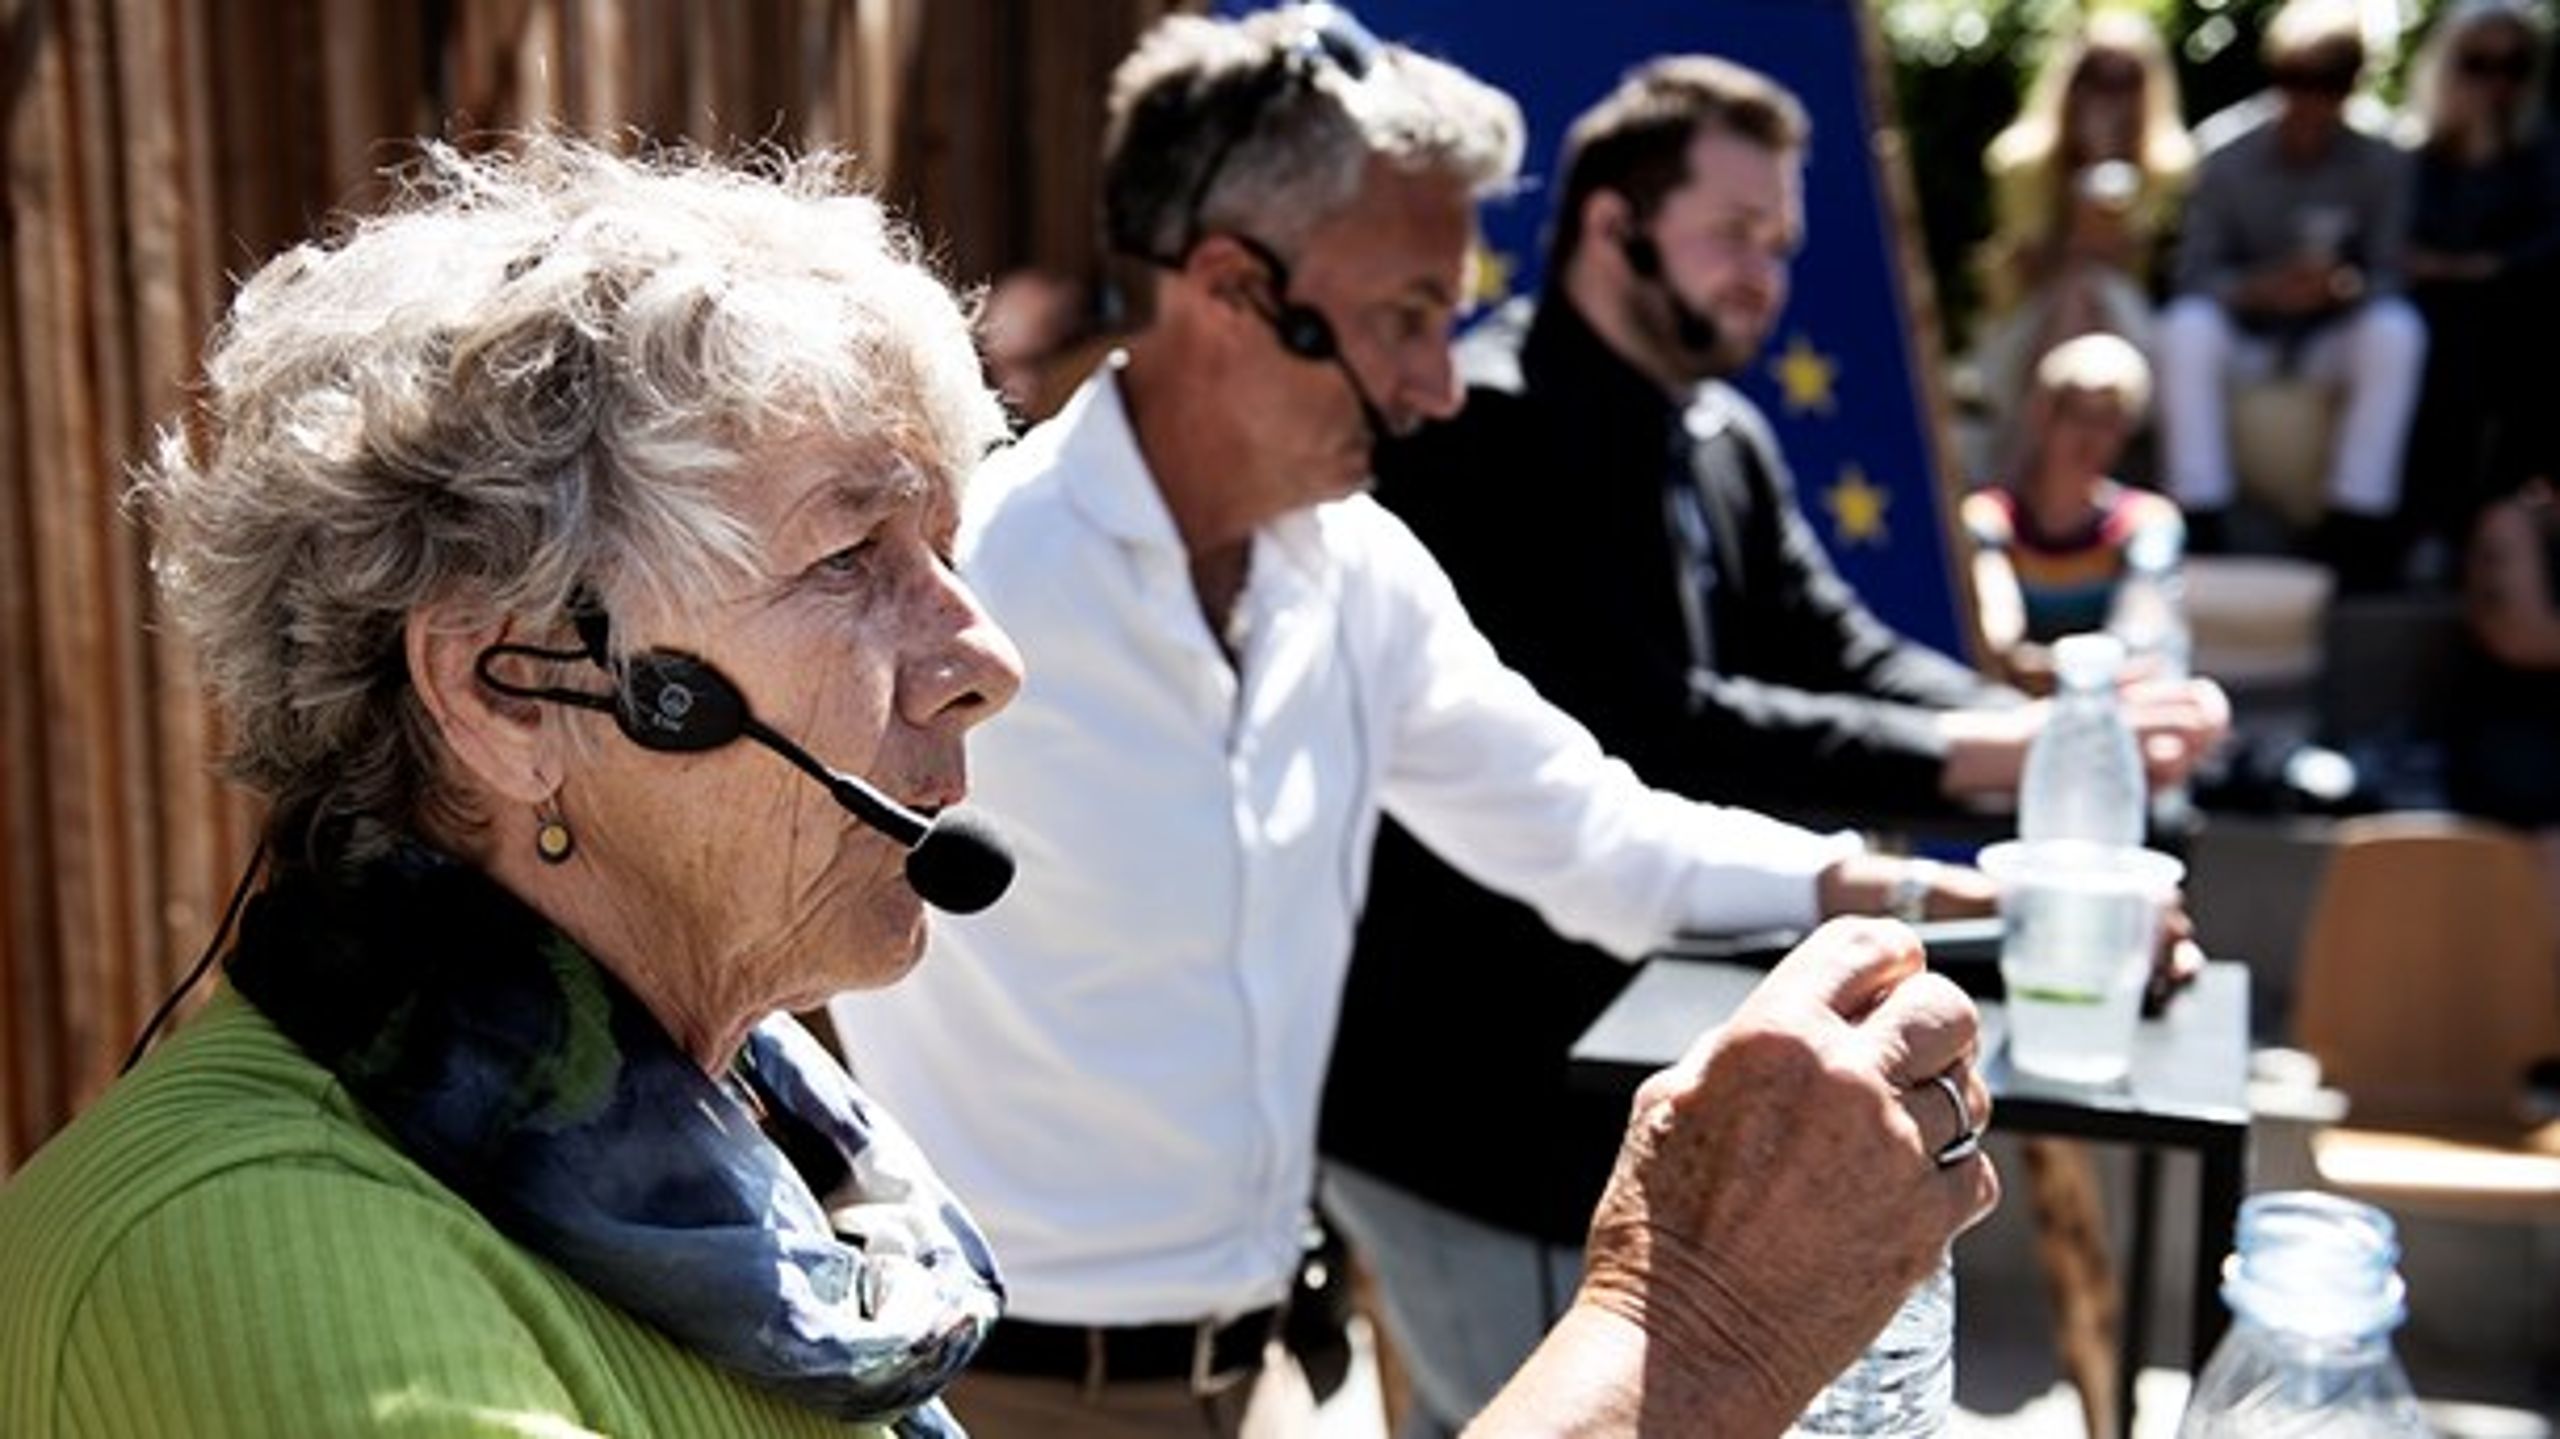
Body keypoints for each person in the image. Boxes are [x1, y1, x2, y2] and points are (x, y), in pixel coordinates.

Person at [0, 131, 2001, 1439]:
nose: (985, 649)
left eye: (947, 549)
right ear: (506, 686)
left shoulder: (757, 1142)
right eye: (850, 554)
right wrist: (1678, 1332)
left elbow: (1586, 827)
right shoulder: (250, 1247)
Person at [826, 11, 1991, 1436]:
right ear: (1228, 288)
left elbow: (1594, 839)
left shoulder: (1356, 570)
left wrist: (1912, 891)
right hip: (986, 1391)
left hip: (1264, 1375)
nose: (1440, 384)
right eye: (1406, 317)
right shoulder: (975, 578)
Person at [1318, 57, 2220, 1436]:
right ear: (1613, 223)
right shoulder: (1489, 419)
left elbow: (1841, 652)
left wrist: (2052, 734)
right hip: (1476, 1101)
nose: (1765, 275)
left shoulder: (1718, 429)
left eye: (1781, 242)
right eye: (1733, 233)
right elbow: (1656, 727)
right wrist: (2002, 763)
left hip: (1650, 1082)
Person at [2156, 0, 2424, 589]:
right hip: (2246, 339)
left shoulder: (2384, 157)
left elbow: (2392, 273)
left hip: (2330, 339)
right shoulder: (2225, 153)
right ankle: (2200, 518)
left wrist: (2342, 288)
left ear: (2354, 82)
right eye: (2295, 78)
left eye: (2329, 81)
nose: (2310, 98)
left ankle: (2358, 524)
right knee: (2186, 328)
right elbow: (2193, 275)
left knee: (2396, 331)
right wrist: (2259, 289)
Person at [1973, 10, 2196, 458]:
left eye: (2126, 81)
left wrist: (2106, 172)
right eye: (2094, 77)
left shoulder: (2171, 169)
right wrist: (2089, 177)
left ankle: (2038, 467)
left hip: (2131, 328)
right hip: (2027, 325)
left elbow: (2130, 265)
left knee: (2089, 291)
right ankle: (2042, 465)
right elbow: (2036, 268)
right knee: (2077, 292)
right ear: (2069, 82)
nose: (2108, 96)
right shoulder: (2021, 163)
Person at [2400, 0, 2560, 571]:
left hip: (2522, 309)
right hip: (2433, 314)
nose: (2495, 81)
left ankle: (2496, 525)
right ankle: (2432, 531)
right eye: (2477, 64)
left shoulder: (2544, 150)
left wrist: (2485, 268)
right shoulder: (2412, 156)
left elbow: (2547, 245)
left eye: (2513, 65)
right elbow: (2401, 243)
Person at [1965, 332, 2186, 691]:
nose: (2090, 437)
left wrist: (2044, 669)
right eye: (2077, 415)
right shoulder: (1990, 516)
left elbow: (2141, 641)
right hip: (2016, 706)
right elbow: (1998, 638)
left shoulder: (2146, 520)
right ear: (2042, 416)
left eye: (2109, 421)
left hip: (2121, 703)